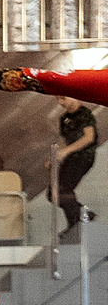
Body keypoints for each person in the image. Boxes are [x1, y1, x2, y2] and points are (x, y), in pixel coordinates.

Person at [58, 94, 97, 237]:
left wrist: (67, 151)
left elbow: (89, 137)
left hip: (83, 157)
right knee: (53, 192)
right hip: (70, 158)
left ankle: (74, 223)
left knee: (64, 189)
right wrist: (56, 157)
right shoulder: (64, 118)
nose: (60, 102)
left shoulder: (84, 114)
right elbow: (66, 140)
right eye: (57, 99)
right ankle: (83, 214)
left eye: (63, 98)